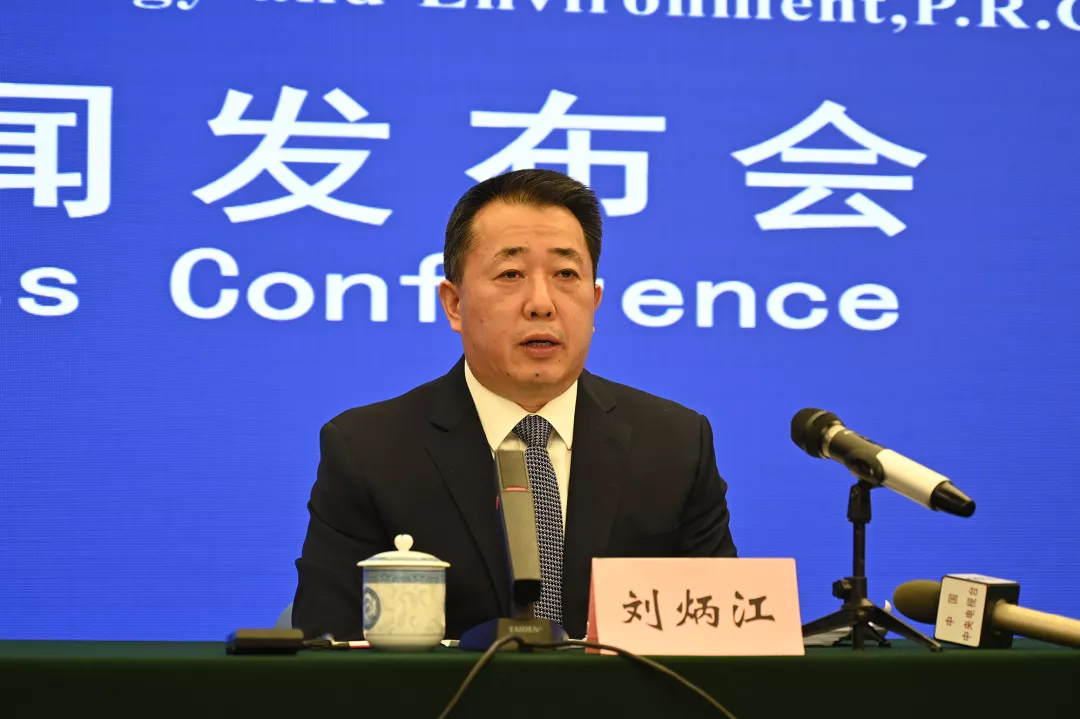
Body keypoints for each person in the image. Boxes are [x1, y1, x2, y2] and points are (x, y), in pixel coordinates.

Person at [291, 169, 737, 641]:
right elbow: (328, 647)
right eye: (511, 274)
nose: (542, 303)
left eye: (566, 275)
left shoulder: (675, 445)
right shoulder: (368, 452)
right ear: (454, 304)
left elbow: (723, 636)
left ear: (595, 301)